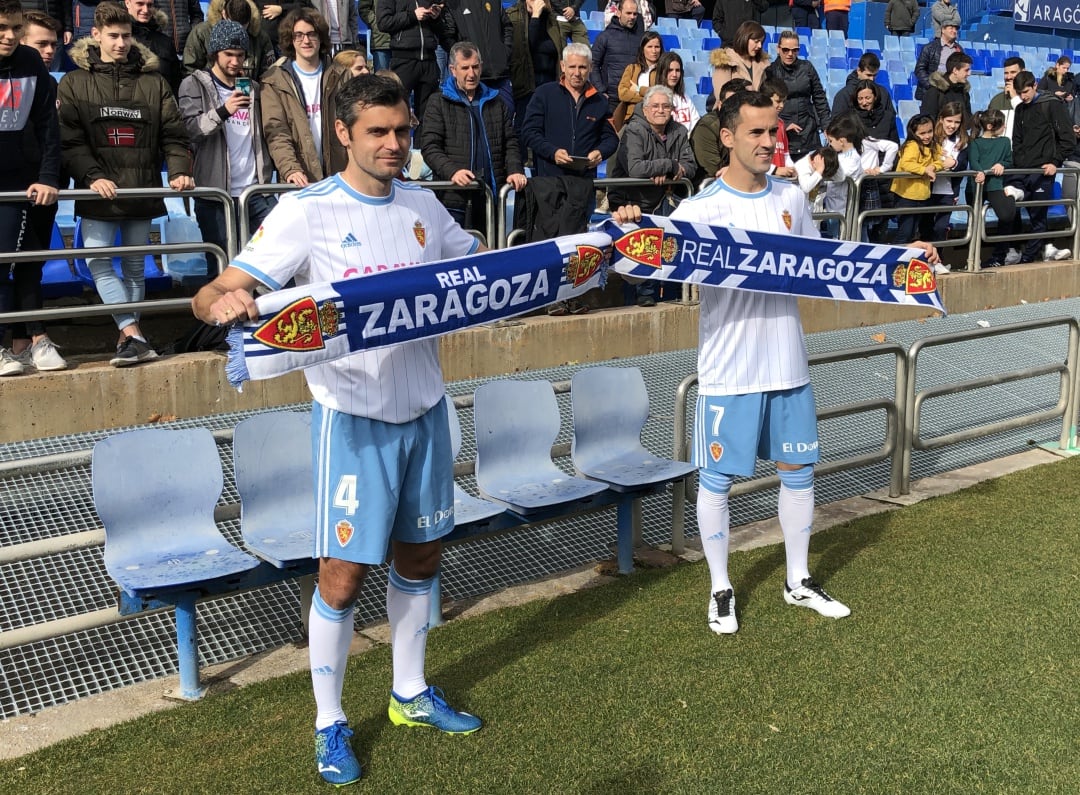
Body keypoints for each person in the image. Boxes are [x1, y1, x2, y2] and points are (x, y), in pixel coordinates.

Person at [191, 73, 484, 788]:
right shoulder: (307, 210)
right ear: (344, 134)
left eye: (403, 132)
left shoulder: (423, 206)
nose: (393, 144)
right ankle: (329, 721)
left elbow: (474, 261)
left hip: (426, 409)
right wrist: (224, 300)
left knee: (420, 559)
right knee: (343, 573)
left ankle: (409, 691)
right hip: (351, 419)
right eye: (378, 131)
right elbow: (219, 287)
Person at [611, 92, 940, 636]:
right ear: (727, 138)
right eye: (757, 133)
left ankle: (798, 579)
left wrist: (905, 260)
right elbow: (643, 269)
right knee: (716, 482)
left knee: (799, 474)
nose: (769, 142)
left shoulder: (791, 197)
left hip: (788, 364)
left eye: (774, 132)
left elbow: (830, 265)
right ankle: (720, 587)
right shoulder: (700, 209)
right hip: (729, 370)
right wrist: (628, 227)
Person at [58, 1, 194, 366]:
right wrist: (93, 176)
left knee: (135, 267)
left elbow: (174, 134)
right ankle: (135, 334)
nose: (121, 43)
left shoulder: (154, 82)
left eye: (127, 36)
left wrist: (180, 168)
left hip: (141, 187)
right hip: (98, 191)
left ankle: (130, 340)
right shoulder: (74, 83)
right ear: (96, 35)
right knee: (98, 263)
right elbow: (70, 141)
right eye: (114, 36)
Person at [179, 19, 276, 269]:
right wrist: (224, 110)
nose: (235, 61)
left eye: (240, 55)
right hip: (216, 194)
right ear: (214, 54)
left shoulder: (253, 88)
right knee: (221, 267)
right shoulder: (193, 84)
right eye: (228, 54)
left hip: (255, 192)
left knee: (267, 263)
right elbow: (190, 130)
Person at [0, 0, 64, 377]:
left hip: (32, 180)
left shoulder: (30, 62)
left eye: (13, 28)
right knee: (3, 262)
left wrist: (49, 177)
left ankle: (34, 341)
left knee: (31, 262)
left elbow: (47, 127)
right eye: (1, 29)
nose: (8, 36)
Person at [419, 41, 526, 231]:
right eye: (465, 68)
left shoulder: (496, 101)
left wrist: (515, 169)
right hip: (454, 197)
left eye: (476, 67)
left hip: (491, 197)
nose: (472, 73)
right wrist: (452, 171)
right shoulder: (438, 102)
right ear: (452, 69)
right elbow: (430, 146)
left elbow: (510, 142)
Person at [607, 84, 695, 305]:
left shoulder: (679, 131)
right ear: (645, 110)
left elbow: (691, 166)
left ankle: (675, 293)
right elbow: (636, 168)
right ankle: (640, 298)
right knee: (642, 256)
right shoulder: (633, 130)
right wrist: (667, 166)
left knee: (672, 250)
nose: (660, 110)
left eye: (666, 106)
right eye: (655, 106)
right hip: (636, 201)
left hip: (669, 201)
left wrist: (670, 170)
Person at [259, 6, 349, 186]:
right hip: (299, 180)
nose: (306, 40)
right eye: (298, 35)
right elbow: (276, 131)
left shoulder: (342, 76)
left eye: (311, 34)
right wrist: (290, 168)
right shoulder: (273, 81)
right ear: (290, 40)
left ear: (320, 37)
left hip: (340, 177)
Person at [521, 41, 618, 178]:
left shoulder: (600, 101)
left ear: (590, 68)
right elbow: (529, 132)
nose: (577, 73)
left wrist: (600, 152)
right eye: (572, 67)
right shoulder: (544, 94)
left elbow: (611, 139)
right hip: (549, 181)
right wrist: (552, 152)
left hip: (584, 183)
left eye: (582, 67)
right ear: (563, 66)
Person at [1008, 70, 1076, 263]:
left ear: (1035, 85)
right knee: (1023, 210)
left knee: (1038, 215)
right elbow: (1017, 139)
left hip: (1044, 170)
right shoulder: (1021, 108)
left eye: (1026, 91)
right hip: (1023, 169)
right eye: (1020, 93)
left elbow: (1067, 139)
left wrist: (1055, 162)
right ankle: (1039, 250)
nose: (1023, 96)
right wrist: (1018, 165)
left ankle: (1028, 258)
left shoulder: (1052, 105)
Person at [377, 0, 455, 131]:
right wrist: (412, 15)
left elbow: (442, 31)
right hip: (403, 59)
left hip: (429, 59)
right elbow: (383, 22)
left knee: (428, 115)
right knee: (396, 110)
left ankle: (423, 150)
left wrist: (435, 17)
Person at [764, 29, 829, 162]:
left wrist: (826, 125)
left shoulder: (807, 67)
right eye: (786, 50)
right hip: (783, 132)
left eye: (795, 50)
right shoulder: (770, 71)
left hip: (808, 130)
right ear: (778, 49)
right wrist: (783, 124)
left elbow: (819, 98)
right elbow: (765, 103)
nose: (790, 54)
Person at [507, 0, 565, 144]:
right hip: (527, 83)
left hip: (550, 83)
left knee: (548, 129)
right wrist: (535, 17)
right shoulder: (513, 17)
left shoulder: (552, 19)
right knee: (524, 127)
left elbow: (559, 51)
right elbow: (525, 48)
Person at [443, 0, 514, 111]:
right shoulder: (454, 4)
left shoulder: (494, 2)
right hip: (474, 79)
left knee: (506, 116)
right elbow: (447, 37)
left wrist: (505, 53)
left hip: (500, 75)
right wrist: (463, 59)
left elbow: (507, 27)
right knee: (479, 122)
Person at [967, 109, 1016, 269]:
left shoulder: (1004, 142)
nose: (1004, 127)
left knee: (1007, 215)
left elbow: (1009, 160)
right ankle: (972, 259)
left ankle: (999, 255)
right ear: (990, 126)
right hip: (976, 187)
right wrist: (980, 171)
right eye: (1001, 124)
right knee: (974, 221)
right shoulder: (975, 142)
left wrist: (1002, 164)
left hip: (995, 185)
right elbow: (974, 161)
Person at [183, 0, 277, 80]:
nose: (238, 32)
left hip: (249, 94)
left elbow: (269, 76)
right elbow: (190, 72)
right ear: (224, 14)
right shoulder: (202, 33)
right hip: (210, 96)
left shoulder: (260, 37)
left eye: (243, 28)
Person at [890, 113, 941, 245]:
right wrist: (925, 170)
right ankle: (893, 261)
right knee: (904, 233)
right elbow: (906, 163)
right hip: (905, 196)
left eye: (930, 131)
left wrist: (933, 167)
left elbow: (941, 161)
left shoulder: (933, 146)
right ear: (914, 133)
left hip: (921, 196)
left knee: (913, 233)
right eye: (922, 133)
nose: (927, 136)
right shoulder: (912, 145)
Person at [689, 76, 749, 184]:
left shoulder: (747, 125)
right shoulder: (707, 127)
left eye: (740, 104)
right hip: (710, 186)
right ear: (720, 105)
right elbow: (713, 169)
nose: (735, 108)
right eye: (730, 103)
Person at [924, 102, 967, 247]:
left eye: (957, 122)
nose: (952, 125)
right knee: (926, 228)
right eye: (949, 121)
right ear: (941, 119)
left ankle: (939, 260)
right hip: (927, 190)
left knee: (941, 228)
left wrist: (954, 164)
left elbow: (962, 164)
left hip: (948, 192)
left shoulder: (962, 142)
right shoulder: (930, 138)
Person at [590, 0, 641, 113]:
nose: (632, 17)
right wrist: (601, 90)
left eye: (635, 14)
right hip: (611, 99)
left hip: (634, 99)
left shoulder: (641, 39)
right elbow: (592, 64)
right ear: (618, 12)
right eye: (628, 13)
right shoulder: (605, 37)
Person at [124, 0, 181, 94]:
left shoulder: (165, 42)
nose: (146, 10)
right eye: (140, 4)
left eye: (149, 5)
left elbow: (175, 82)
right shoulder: (118, 41)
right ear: (127, 3)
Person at [613, 29, 662, 130]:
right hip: (631, 119)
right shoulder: (632, 68)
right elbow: (622, 94)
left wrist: (639, 89)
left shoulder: (663, 71)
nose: (654, 51)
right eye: (650, 46)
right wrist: (648, 98)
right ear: (643, 49)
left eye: (657, 47)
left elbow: (660, 95)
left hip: (655, 120)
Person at [710, 19, 768, 94]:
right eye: (756, 41)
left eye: (761, 42)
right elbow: (722, 96)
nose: (760, 46)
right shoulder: (725, 61)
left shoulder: (764, 63)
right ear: (744, 38)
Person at [913, 20, 961, 101]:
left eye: (956, 29)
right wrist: (932, 86)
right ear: (943, 30)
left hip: (952, 92)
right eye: (951, 28)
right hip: (933, 93)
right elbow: (919, 70)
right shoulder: (929, 48)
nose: (954, 31)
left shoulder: (959, 49)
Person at [919, 51, 972, 122]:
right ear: (955, 70)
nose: (969, 74)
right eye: (966, 70)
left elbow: (968, 119)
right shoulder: (934, 92)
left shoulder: (964, 92)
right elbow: (928, 121)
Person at [659, 51, 698, 133]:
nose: (674, 74)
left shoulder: (685, 98)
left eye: (677, 70)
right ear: (662, 71)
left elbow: (696, 124)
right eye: (670, 70)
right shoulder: (655, 98)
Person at [988, 57, 1023, 140]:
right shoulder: (996, 100)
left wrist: (1015, 98)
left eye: (1013, 72)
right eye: (1006, 73)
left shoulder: (1031, 98)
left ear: (1023, 72)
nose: (1008, 77)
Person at [357, 0, 389, 71]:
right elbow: (364, 9)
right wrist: (377, 24)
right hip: (381, 41)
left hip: (402, 40)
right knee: (381, 79)